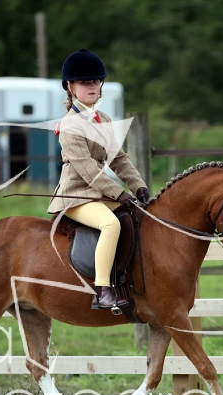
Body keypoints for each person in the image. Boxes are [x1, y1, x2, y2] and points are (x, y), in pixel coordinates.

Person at [48, 48, 151, 311]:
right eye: (85, 82)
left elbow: (119, 159)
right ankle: (102, 290)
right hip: (75, 197)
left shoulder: (103, 119)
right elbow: (88, 169)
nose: (92, 86)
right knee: (110, 224)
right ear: (70, 87)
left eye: (96, 81)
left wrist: (138, 186)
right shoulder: (70, 125)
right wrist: (119, 193)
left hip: (97, 194)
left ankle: (128, 280)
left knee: (139, 217)